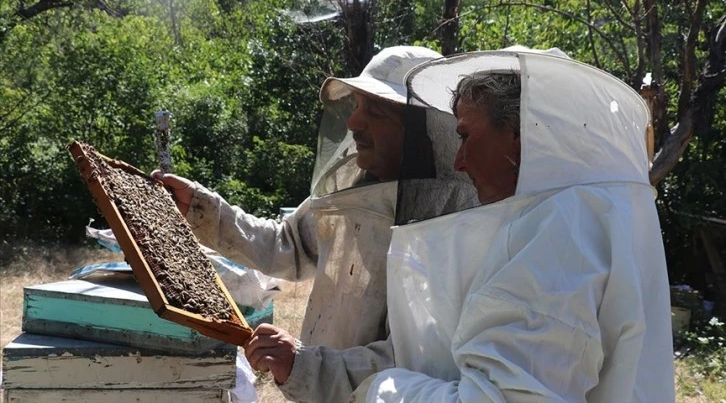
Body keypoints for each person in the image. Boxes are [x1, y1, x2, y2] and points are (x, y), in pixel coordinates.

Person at [247, 49, 675, 402]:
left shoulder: (554, 242)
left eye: (466, 136)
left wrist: (381, 389)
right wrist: (311, 368)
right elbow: (436, 353)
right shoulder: (595, 218)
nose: (458, 160)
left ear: (523, 135)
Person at [153, 47, 445, 348]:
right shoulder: (351, 188)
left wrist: (305, 366)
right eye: (357, 106)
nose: (353, 123)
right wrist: (203, 210)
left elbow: (411, 359)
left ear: (423, 128)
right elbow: (288, 244)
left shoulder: (449, 224)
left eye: (375, 110)